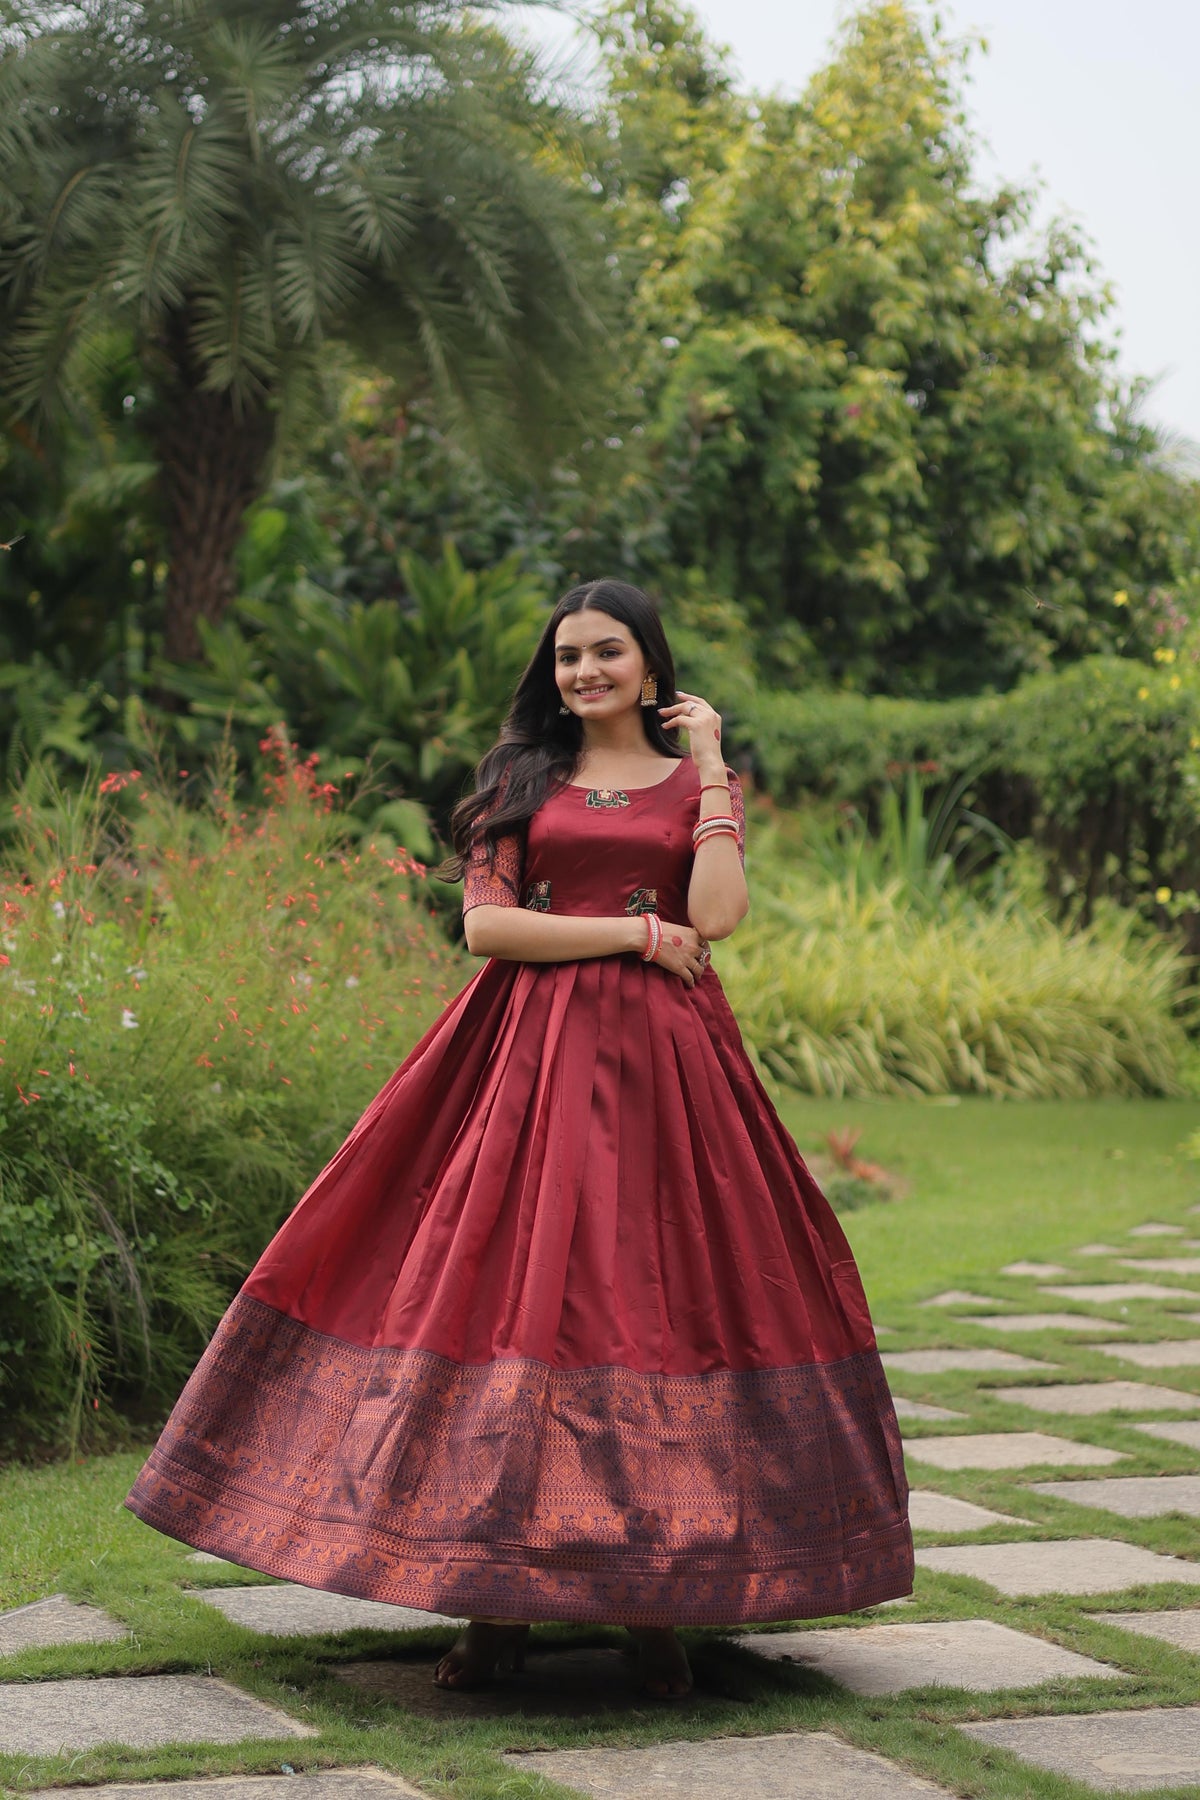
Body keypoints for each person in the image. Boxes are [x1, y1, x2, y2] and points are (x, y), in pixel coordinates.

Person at [125, 579, 913, 1700]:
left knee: (656, 1307)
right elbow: (487, 926)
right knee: (504, 1297)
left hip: (666, 1081)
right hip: (523, 1067)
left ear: (651, 664)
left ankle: (654, 1603)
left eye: (607, 652)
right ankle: (491, 1606)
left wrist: (719, 767)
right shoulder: (521, 777)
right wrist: (639, 930)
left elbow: (723, 915)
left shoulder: (695, 780)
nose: (584, 672)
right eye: (567, 657)